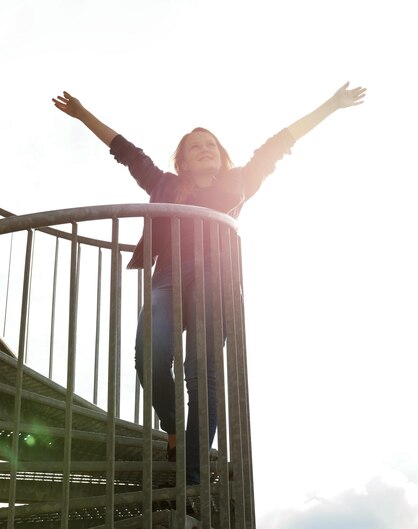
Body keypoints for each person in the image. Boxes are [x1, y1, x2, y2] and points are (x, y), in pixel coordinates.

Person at [52, 82, 366, 484]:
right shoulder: (164, 184)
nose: (205, 149)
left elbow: (280, 141)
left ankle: (194, 477)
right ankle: (175, 429)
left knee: (201, 373)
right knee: (149, 356)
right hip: (168, 278)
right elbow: (126, 151)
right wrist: (83, 115)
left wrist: (333, 105)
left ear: (221, 157)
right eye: (196, 146)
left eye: (211, 145)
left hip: (215, 283)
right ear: (182, 160)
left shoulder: (239, 181)